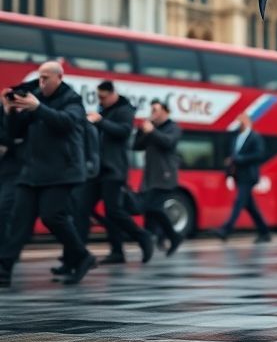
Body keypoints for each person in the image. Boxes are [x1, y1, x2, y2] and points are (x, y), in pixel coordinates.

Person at [0, 62, 96, 286]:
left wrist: (38, 108)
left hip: (63, 170)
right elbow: (14, 133)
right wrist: (10, 112)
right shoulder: (35, 98)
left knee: (53, 217)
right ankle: (4, 270)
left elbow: (67, 123)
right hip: (32, 171)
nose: (41, 83)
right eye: (39, 78)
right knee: (18, 220)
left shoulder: (72, 99)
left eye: (46, 78)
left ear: (59, 78)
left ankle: (82, 256)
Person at [77, 81, 153, 264]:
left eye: (103, 97)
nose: (100, 101)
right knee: (81, 208)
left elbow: (124, 132)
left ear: (113, 94)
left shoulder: (125, 110)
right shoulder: (104, 111)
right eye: (98, 97)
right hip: (97, 170)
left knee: (114, 210)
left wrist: (100, 121)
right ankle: (78, 253)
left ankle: (142, 236)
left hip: (114, 169)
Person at [132, 99, 183, 256]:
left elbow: (168, 142)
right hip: (150, 176)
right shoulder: (152, 128)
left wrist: (152, 131)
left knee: (153, 208)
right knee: (150, 210)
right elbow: (136, 146)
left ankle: (167, 237)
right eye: (151, 109)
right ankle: (159, 238)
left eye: (155, 109)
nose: (152, 112)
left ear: (165, 112)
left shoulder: (173, 128)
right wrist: (143, 130)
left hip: (165, 176)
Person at [211, 113, 271, 243]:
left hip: (249, 176)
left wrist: (240, 158)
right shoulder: (236, 138)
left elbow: (259, 154)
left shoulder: (255, 137)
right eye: (238, 118)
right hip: (238, 175)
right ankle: (264, 232)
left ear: (248, 121)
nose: (239, 121)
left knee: (238, 202)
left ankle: (226, 230)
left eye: (242, 118)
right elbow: (234, 156)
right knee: (251, 207)